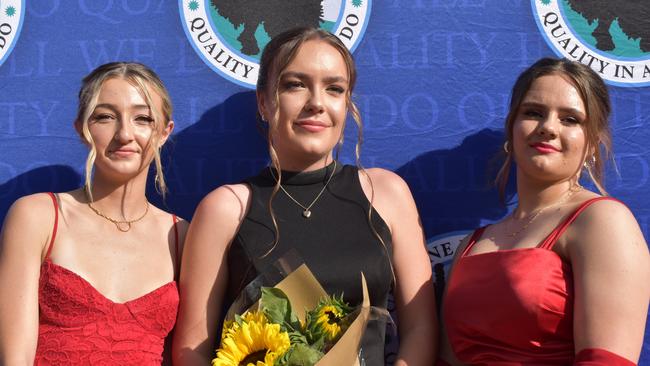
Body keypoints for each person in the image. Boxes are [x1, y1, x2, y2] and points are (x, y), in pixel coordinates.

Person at [173, 27, 437, 366]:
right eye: (295, 84)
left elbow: (421, 329)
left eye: (334, 88)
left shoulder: (386, 194)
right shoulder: (226, 208)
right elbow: (191, 350)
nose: (316, 103)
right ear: (264, 102)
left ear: (346, 103)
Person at [437, 58, 650, 365]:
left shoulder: (602, 221)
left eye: (571, 119)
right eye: (533, 113)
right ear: (511, 129)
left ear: (592, 142)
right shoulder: (472, 244)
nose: (548, 127)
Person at [0, 62, 188, 365]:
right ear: (82, 129)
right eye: (105, 117)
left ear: (165, 132)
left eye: (142, 118)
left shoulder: (183, 236)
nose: (125, 133)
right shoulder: (38, 216)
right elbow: (14, 358)